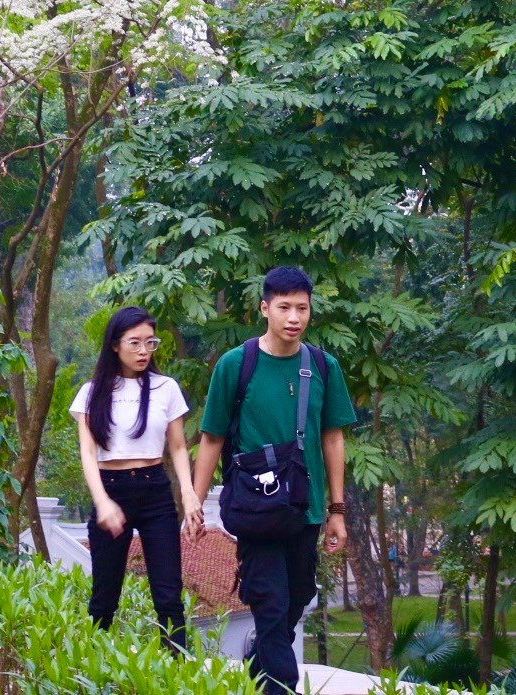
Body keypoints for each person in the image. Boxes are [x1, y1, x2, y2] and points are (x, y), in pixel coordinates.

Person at [184, 266, 356, 694]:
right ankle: (280, 686)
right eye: (284, 307)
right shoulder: (236, 365)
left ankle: (260, 652)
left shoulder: (322, 365)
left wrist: (337, 510)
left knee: (296, 596)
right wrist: (194, 501)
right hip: (255, 505)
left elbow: (333, 438)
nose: (294, 317)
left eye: (302, 308)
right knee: (271, 601)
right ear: (265, 309)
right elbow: (211, 438)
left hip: (306, 505)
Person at [70, 305, 197, 651]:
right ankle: (92, 673)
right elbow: (87, 453)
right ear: (115, 344)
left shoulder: (165, 388)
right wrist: (102, 503)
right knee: (104, 597)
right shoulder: (91, 392)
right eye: (135, 343)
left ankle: (177, 671)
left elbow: (178, 448)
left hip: (155, 491)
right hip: (110, 489)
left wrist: (188, 493)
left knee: (169, 594)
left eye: (150, 343)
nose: (143, 351)